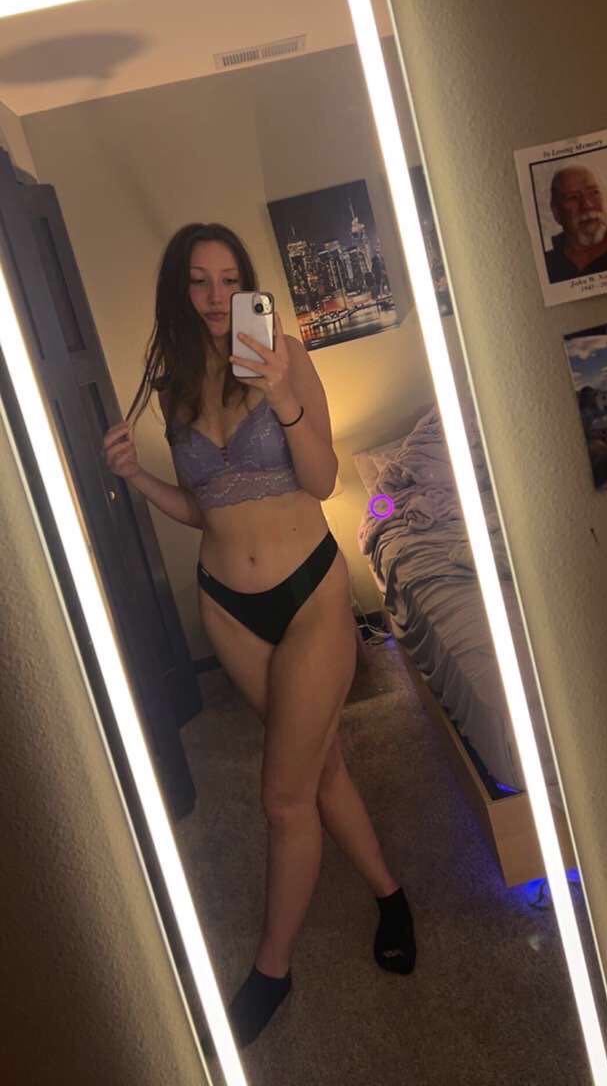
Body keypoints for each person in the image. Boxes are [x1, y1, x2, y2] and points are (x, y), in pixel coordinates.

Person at [102, 222, 415, 1049]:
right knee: (319, 767)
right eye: (198, 280)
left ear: (248, 287)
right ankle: (390, 893)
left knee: (281, 798)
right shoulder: (172, 386)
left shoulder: (284, 356)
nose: (215, 296)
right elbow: (203, 507)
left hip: (309, 595)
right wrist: (139, 479)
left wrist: (282, 395)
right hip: (228, 609)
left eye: (229, 279)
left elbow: (321, 478)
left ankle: (272, 968)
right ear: (179, 290)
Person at [544, 165, 607, 283]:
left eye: (594, 192)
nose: (587, 205)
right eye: (572, 197)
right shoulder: (546, 267)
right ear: (556, 212)